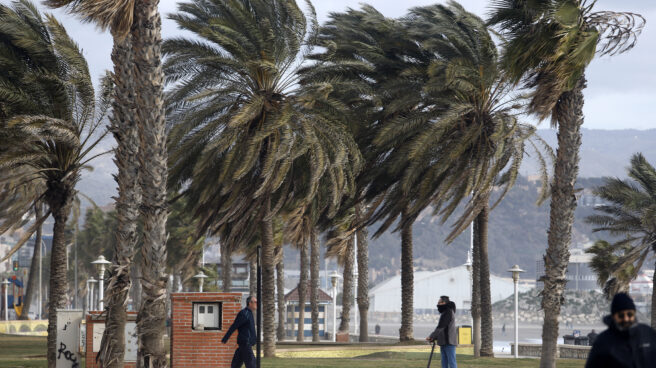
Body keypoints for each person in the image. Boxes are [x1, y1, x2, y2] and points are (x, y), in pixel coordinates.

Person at [585, 293, 656, 368]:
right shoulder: (602, 341)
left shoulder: (648, 333)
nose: (626, 319)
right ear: (613, 316)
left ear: (634, 313)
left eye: (629, 314)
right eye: (621, 315)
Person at [222, 296, 257, 368]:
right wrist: (225, 339)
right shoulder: (244, 313)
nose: (257, 304)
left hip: (244, 345)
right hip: (245, 344)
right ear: (250, 303)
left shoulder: (249, 313)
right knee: (252, 365)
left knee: (235, 365)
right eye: (255, 302)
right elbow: (234, 326)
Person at [427, 295, 457, 368]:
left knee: (451, 362)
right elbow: (441, 328)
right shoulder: (445, 312)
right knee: (444, 363)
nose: (438, 304)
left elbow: (441, 327)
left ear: (444, 303)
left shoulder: (448, 312)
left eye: (439, 302)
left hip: (449, 342)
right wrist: (434, 337)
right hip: (444, 342)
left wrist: (432, 336)